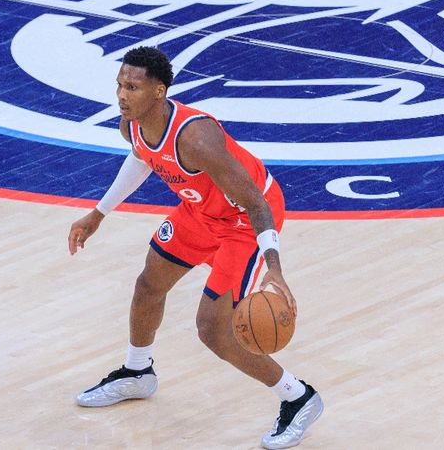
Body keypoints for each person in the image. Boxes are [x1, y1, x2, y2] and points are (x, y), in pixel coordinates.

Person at [68, 46, 323, 449]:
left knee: (213, 329)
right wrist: (98, 213)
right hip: (200, 211)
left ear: (159, 91)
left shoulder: (197, 139)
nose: (122, 95)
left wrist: (273, 265)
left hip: (243, 221)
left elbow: (257, 203)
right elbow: (142, 157)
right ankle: (138, 372)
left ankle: (298, 396)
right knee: (149, 284)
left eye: (132, 87)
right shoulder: (131, 124)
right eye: (120, 84)